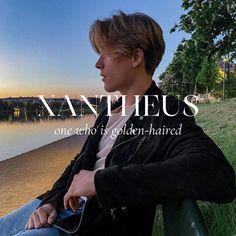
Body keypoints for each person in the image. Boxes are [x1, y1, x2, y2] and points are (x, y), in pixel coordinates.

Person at [0, 11, 235, 236]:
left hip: (88, 226)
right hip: (59, 210)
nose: (98, 64)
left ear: (135, 57)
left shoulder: (166, 113)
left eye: (106, 53)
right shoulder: (108, 113)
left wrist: (102, 182)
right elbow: (78, 163)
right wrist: (51, 201)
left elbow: (217, 174)